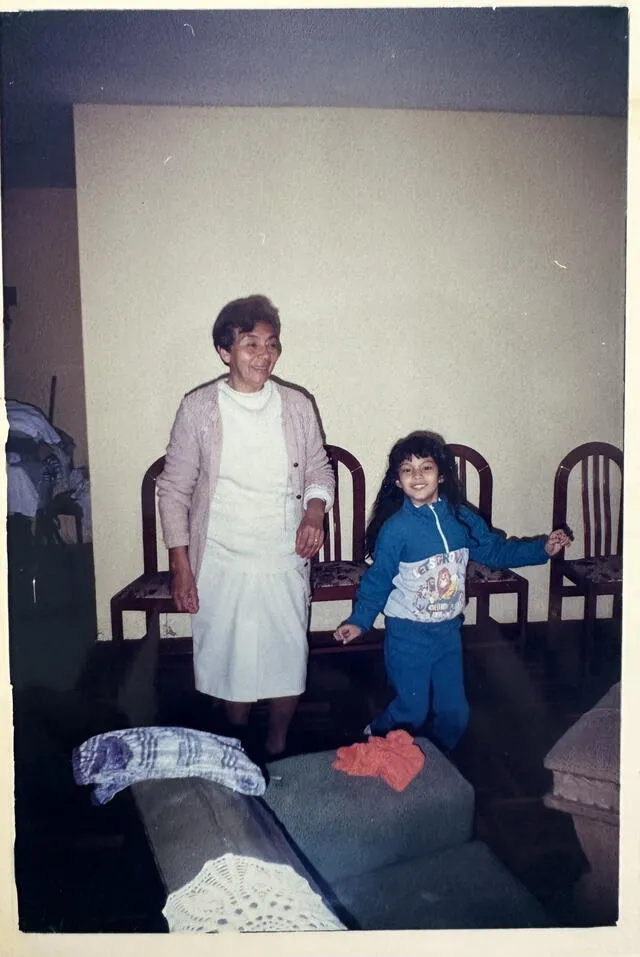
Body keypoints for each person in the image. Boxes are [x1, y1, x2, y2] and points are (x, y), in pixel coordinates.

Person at [157, 295, 335, 758]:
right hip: (220, 554)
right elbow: (174, 488)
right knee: (231, 658)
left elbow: (319, 469)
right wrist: (181, 565)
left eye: (271, 344)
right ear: (224, 352)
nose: (264, 354)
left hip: (282, 551)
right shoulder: (199, 408)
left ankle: (277, 743)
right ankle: (234, 742)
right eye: (250, 343)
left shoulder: (296, 405)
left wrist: (314, 512)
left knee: (286, 654)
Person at [333, 431, 571, 752]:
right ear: (398, 481)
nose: (417, 476)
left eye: (426, 468)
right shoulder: (396, 530)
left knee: (455, 712)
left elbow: (498, 552)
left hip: (448, 633)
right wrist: (359, 621)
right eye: (407, 470)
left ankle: (439, 762)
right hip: (407, 635)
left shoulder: (462, 519)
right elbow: (378, 579)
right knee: (411, 711)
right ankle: (371, 738)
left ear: (442, 475)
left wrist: (543, 548)